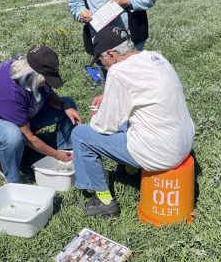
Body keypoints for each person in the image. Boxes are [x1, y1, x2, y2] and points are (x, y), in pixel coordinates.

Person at [71, 26, 195, 217]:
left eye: (100, 60)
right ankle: (130, 171)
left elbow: (104, 126)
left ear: (111, 54)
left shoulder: (118, 71)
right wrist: (108, 97)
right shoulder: (156, 57)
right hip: (184, 143)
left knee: (80, 135)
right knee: (131, 118)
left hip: (161, 153)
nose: (102, 65)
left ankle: (104, 201)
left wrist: (97, 114)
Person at [0, 45, 82, 183]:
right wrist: (57, 156)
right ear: (33, 76)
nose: (47, 84)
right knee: (12, 135)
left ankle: (67, 152)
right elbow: (28, 138)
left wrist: (65, 106)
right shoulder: (10, 93)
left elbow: (48, 91)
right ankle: (13, 181)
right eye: (45, 80)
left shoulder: (30, 64)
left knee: (68, 104)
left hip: (23, 116)